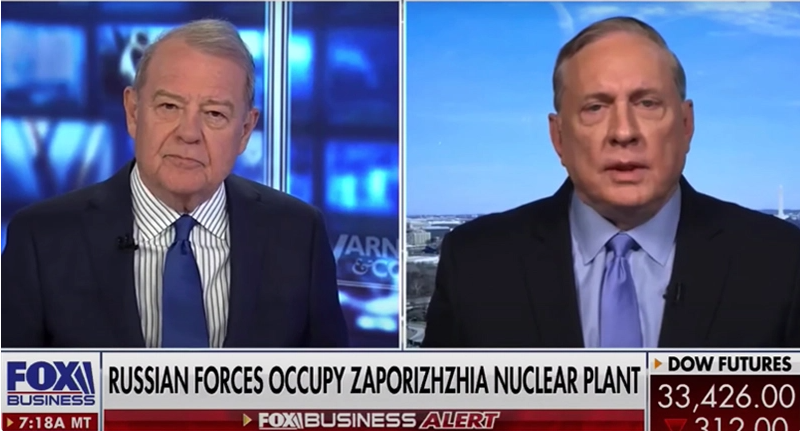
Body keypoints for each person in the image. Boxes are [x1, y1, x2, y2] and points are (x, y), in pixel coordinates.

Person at [422, 16, 800, 348]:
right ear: (558, 137)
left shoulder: (782, 261)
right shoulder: (474, 263)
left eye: (647, 103)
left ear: (686, 125)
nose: (623, 132)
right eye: (595, 107)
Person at [2, 19, 349, 348]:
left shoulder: (299, 236)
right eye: (169, 106)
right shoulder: (40, 239)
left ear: (245, 130)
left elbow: (332, 387)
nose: (188, 134)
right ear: (133, 112)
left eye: (214, 114)